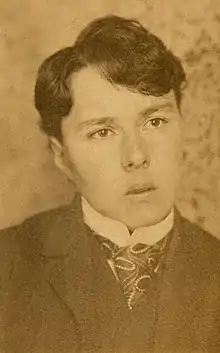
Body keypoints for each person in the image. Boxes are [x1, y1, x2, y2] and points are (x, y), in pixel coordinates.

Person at [0, 15, 220, 353]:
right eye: (102, 132)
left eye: (155, 121)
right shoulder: (9, 266)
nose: (136, 156)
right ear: (61, 155)